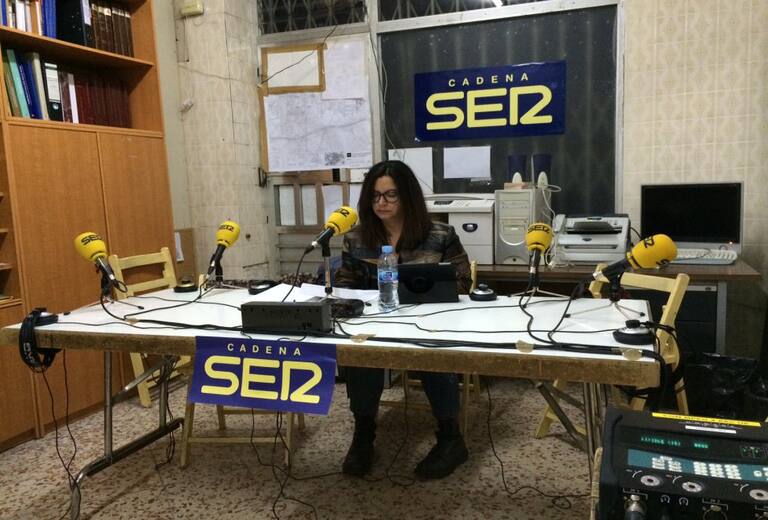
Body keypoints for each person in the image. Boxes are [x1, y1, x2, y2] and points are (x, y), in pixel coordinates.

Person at [334, 160, 473, 480]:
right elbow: (346, 287)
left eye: (391, 195)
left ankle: (451, 439)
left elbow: (464, 284)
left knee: (433, 351)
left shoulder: (440, 235)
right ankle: (363, 436)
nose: (381, 202)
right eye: (375, 196)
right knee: (361, 354)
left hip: (428, 323)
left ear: (408, 196)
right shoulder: (356, 239)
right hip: (375, 324)